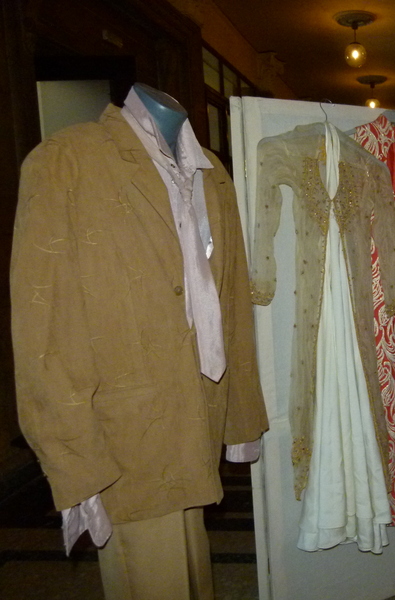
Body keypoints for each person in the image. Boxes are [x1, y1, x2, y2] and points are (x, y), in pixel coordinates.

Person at [11, 83, 268, 598]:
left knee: (192, 572)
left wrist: (240, 414)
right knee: (149, 576)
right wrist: (72, 457)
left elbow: (232, 299)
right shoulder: (66, 160)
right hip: (121, 432)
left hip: (198, 412)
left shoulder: (211, 171)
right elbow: (43, 325)